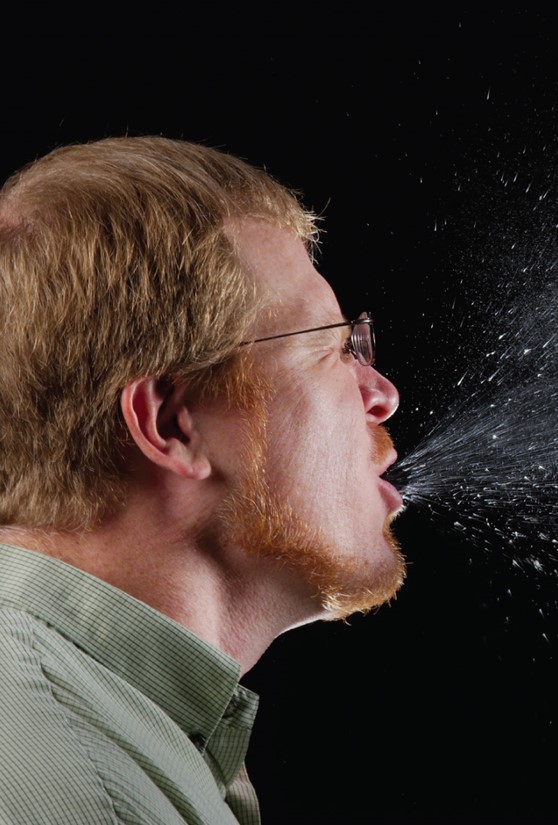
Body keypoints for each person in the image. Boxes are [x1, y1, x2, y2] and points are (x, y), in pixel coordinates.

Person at [0, 136, 405, 824]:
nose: (382, 393)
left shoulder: (108, 729)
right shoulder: (86, 794)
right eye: (333, 347)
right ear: (173, 422)